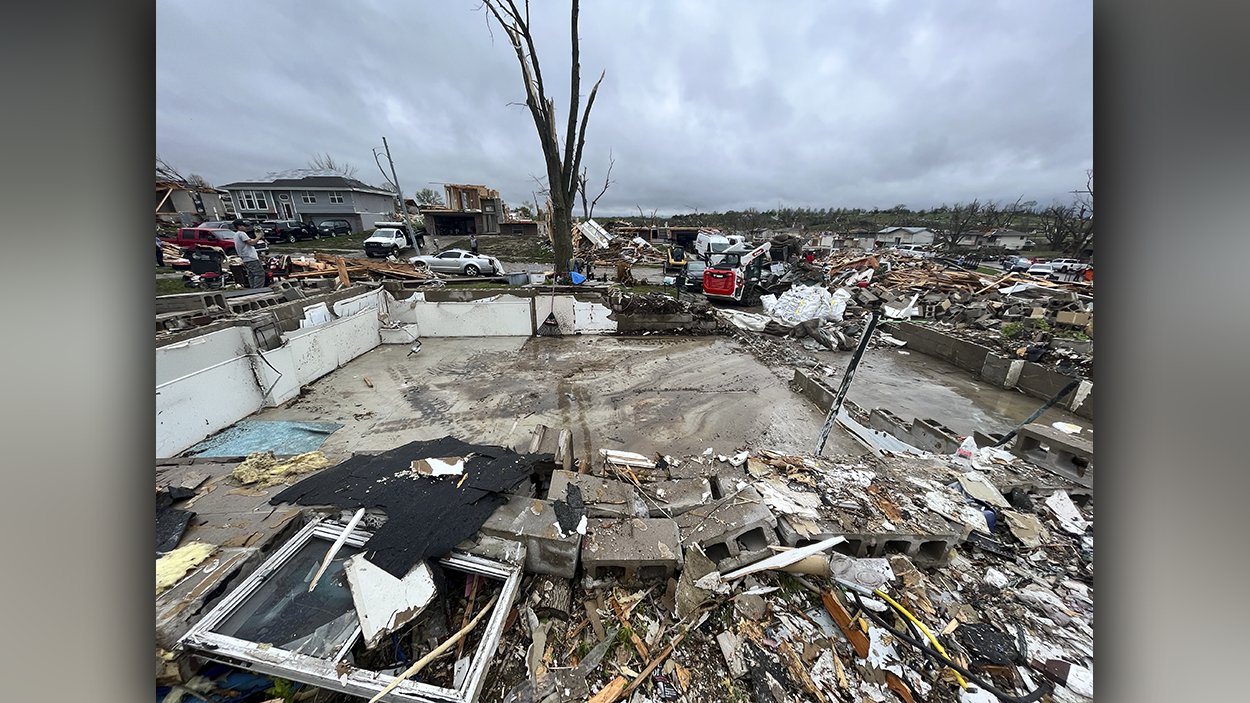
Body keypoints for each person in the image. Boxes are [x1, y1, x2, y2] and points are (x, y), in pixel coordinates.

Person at [232, 219, 267, 288]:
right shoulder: (242, 234)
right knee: (259, 274)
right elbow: (251, 243)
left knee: (251, 275)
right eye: (244, 226)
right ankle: (257, 290)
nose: (246, 228)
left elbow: (249, 243)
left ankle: (253, 289)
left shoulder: (236, 235)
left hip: (245, 258)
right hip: (251, 258)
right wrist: (259, 236)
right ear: (239, 226)